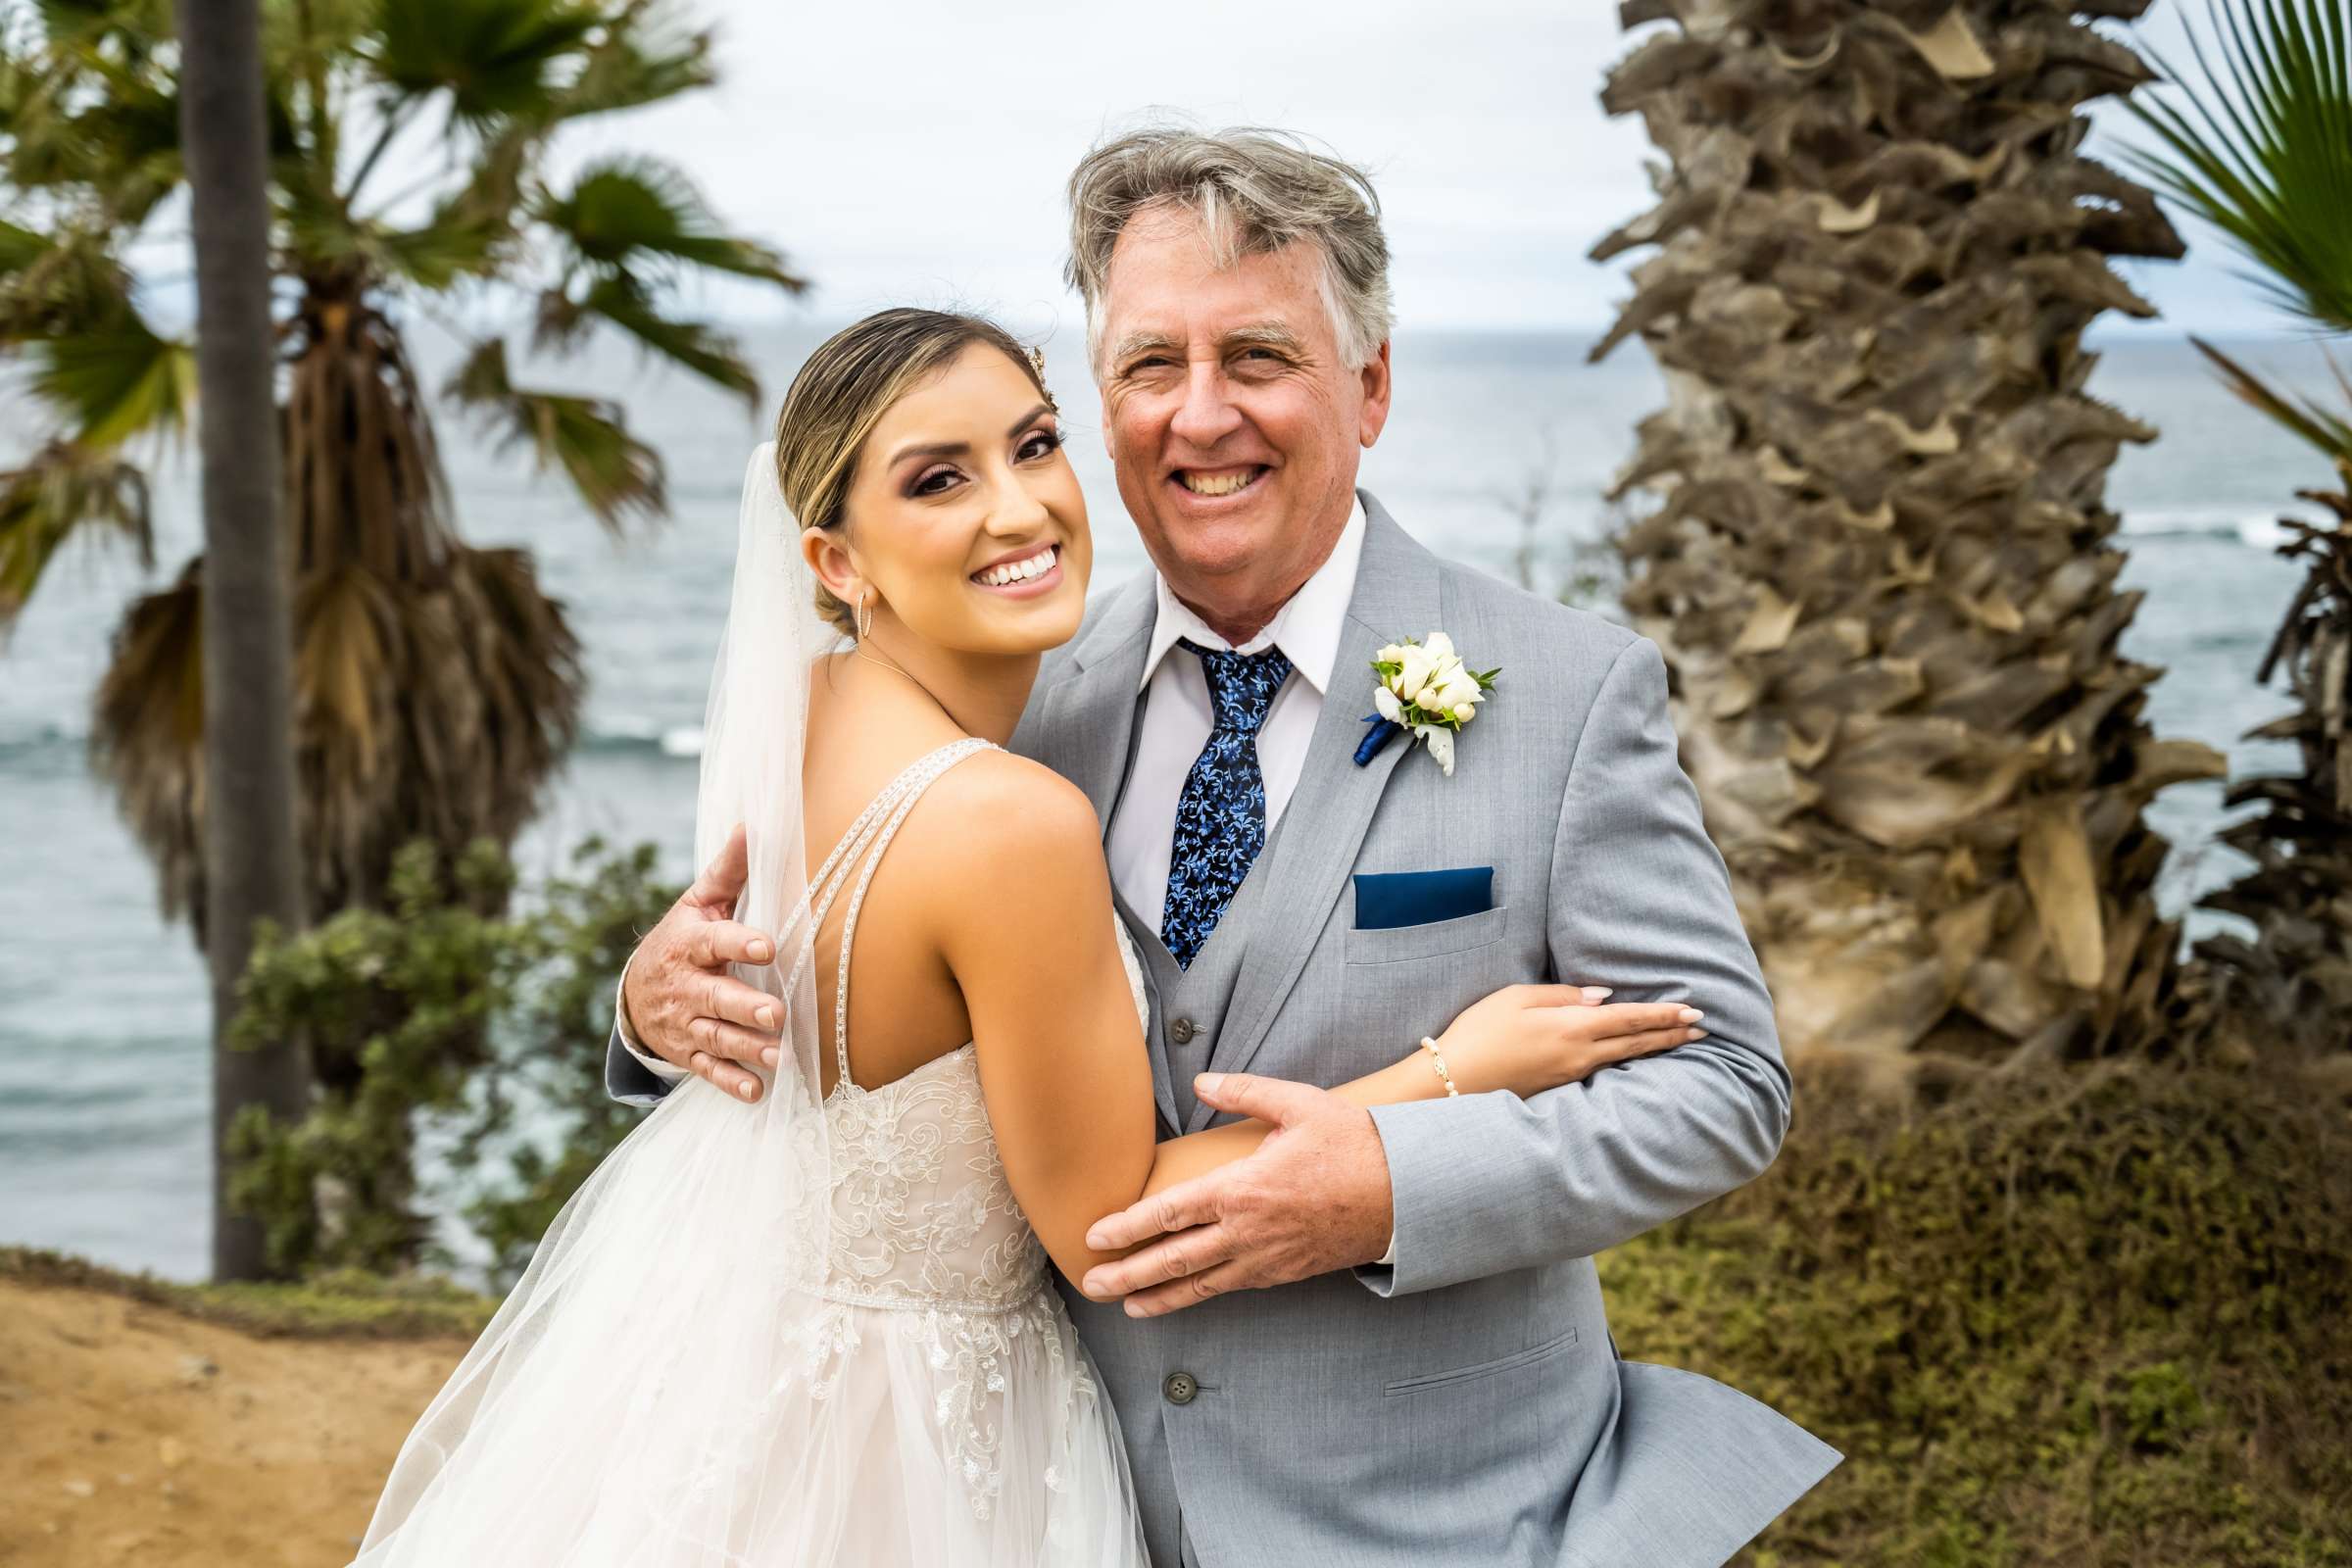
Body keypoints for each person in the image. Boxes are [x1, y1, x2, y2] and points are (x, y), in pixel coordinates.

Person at [608, 128, 1838, 1567]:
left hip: (1452, 1523)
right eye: (1146, 367)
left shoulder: (1567, 692)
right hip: (1053, 1502)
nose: (1200, 418)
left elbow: (1723, 1082)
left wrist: (1389, 1183)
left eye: (1256, 357)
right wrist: (648, 1007)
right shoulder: (1009, 697)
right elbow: (849, 983)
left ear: (1369, 387)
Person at [352, 307, 1712, 1565]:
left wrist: (663, 996)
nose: (1021, 508)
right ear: (834, 561)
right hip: (939, 1450)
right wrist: (1457, 1069)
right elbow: (1109, 1226)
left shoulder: (800, 719)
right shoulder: (1009, 816)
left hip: (739, 1393)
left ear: (1371, 382)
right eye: (938, 480)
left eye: (1034, 445)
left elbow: (804, 998)